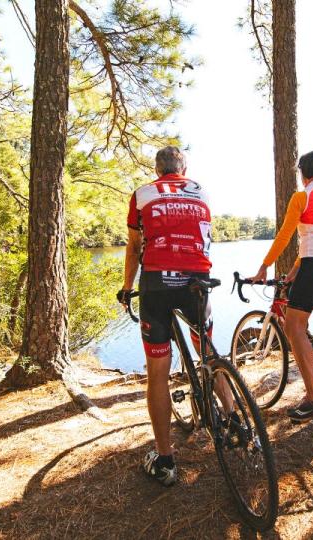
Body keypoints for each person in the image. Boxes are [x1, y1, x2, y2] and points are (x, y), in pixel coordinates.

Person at [118, 146, 213, 487]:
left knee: (157, 371)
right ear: (184, 168)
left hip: (158, 283)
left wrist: (128, 288)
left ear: (158, 170)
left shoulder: (142, 194)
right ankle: (235, 421)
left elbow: (134, 246)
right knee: (208, 351)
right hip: (197, 281)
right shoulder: (201, 191)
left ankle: (165, 459)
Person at [249, 150, 313, 422]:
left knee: (293, 325)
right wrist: (294, 270)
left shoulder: (302, 196)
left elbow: (285, 234)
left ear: (303, 172)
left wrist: (264, 265)